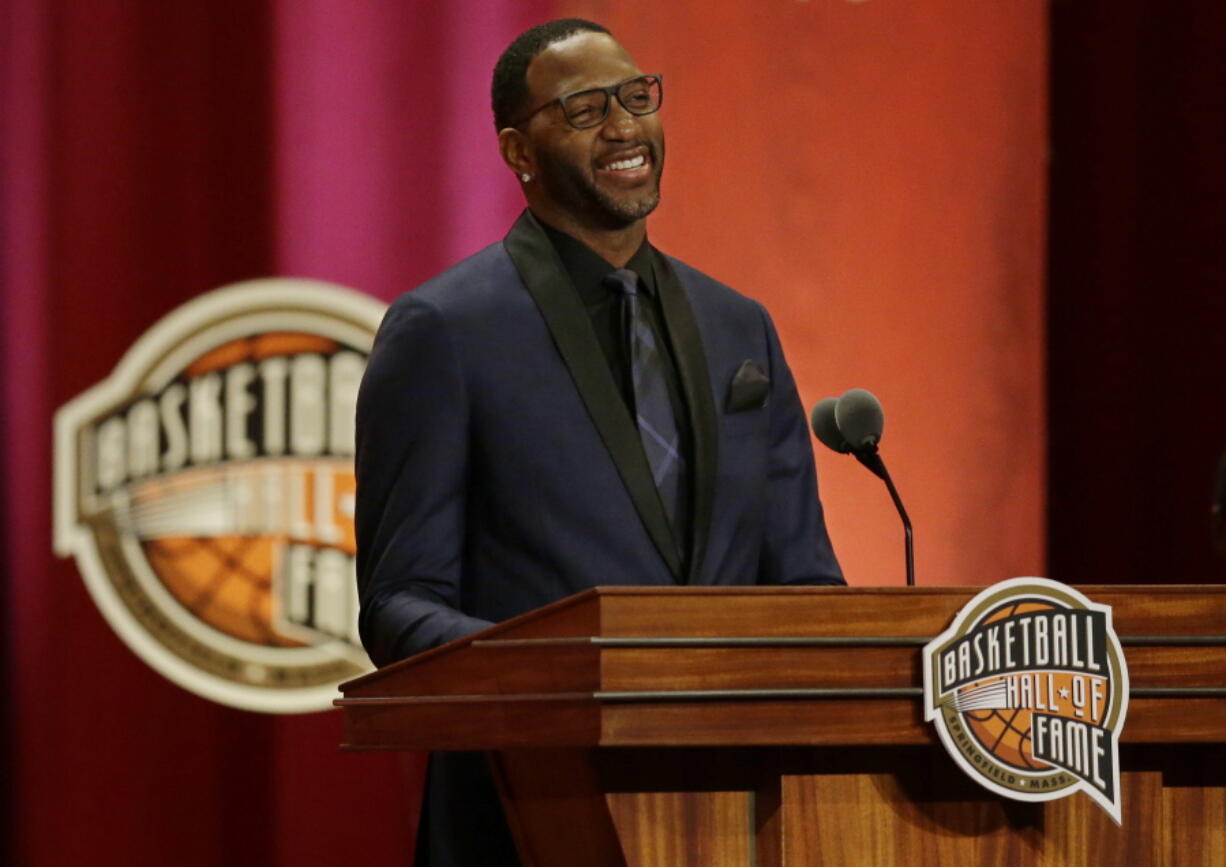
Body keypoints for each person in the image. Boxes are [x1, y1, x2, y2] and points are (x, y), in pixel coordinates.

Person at [354, 18, 844, 866]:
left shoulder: (741, 330)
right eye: (583, 108)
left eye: (635, 96)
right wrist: (559, 675)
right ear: (519, 149)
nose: (623, 126)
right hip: (528, 808)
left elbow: (804, 581)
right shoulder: (443, 330)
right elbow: (399, 603)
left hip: (739, 809)